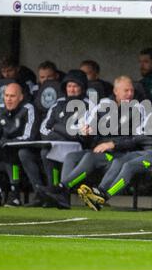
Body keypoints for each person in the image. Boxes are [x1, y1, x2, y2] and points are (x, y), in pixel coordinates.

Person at [43, 75, 146, 209]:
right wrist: (86, 132)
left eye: (131, 91)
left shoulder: (138, 108)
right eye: (126, 91)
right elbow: (89, 129)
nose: (130, 94)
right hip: (99, 150)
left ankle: (61, 188)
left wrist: (113, 144)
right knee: (71, 157)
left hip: (120, 153)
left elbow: (138, 139)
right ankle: (63, 198)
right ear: (116, 91)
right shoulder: (103, 105)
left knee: (91, 157)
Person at [78, 87, 152, 211]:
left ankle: (105, 196)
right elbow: (138, 135)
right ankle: (99, 192)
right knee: (119, 161)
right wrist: (151, 135)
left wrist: (149, 134)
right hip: (146, 151)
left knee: (129, 166)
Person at [18, 69, 90, 207]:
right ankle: (40, 194)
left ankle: (54, 194)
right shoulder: (58, 103)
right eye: (69, 86)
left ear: (82, 88)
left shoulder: (89, 105)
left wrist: (56, 127)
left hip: (77, 148)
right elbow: (44, 128)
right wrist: (62, 131)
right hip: (54, 143)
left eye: (75, 86)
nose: (72, 89)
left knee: (46, 153)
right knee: (24, 153)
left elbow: (79, 133)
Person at [0, 83, 36, 207]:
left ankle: (15, 194)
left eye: (12, 96)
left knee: (11, 152)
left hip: (22, 150)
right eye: (6, 95)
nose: (8, 99)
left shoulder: (28, 109)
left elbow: (29, 136)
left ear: (21, 97)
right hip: (0, 147)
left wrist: (6, 143)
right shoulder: (0, 108)